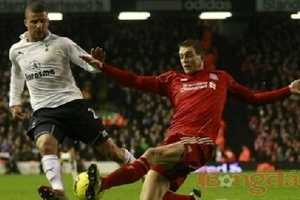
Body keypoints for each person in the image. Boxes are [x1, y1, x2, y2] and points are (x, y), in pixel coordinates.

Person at [80, 40, 300, 200]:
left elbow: (253, 98)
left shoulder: (220, 78)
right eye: (182, 56)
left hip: (198, 143)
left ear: (201, 57)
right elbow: (136, 81)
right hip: (173, 143)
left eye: (189, 55)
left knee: (151, 154)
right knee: (149, 197)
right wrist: (104, 68)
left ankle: (101, 185)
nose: (184, 60)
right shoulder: (172, 79)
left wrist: (288, 90)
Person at [8, 2, 136, 200]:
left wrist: (97, 64)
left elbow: (90, 66)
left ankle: (144, 170)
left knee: (113, 153)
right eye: (35, 22)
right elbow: (17, 76)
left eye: (43, 21)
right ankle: (58, 191)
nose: (40, 25)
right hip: (44, 110)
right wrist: (14, 102)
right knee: (45, 145)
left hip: (73, 106)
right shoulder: (16, 50)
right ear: (26, 22)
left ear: (48, 20)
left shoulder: (63, 43)